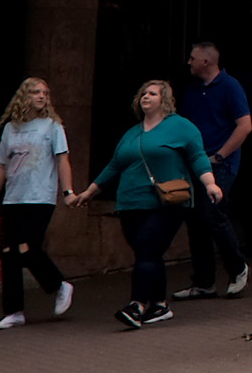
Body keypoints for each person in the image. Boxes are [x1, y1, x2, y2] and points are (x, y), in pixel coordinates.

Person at [66, 79, 218, 329]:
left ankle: (136, 305)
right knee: (148, 253)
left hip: (165, 202)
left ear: (164, 100)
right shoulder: (132, 133)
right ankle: (159, 306)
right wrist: (89, 192)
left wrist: (210, 184)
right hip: (130, 202)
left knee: (147, 249)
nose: (145, 97)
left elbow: (197, 156)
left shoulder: (181, 127)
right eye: (143, 94)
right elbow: (115, 165)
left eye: (152, 93)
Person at [0, 76, 75, 327]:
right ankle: (14, 311)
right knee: (8, 253)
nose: (41, 96)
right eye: (36, 92)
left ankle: (59, 284)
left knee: (27, 246)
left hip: (39, 196)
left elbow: (62, 160)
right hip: (14, 197)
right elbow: (2, 166)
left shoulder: (52, 127)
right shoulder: (11, 128)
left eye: (45, 93)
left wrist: (67, 192)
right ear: (24, 96)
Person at [176, 42, 252, 297]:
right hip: (195, 163)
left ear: (206, 62)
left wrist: (220, 156)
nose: (189, 62)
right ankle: (204, 282)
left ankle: (238, 267)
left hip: (220, 163)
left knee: (211, 214)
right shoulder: (193, 91)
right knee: (195, 220)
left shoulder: (230, 87)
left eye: (193, 58)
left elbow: (244, 126)